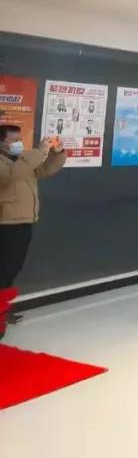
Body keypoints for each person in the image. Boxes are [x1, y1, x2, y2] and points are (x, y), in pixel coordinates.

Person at [0, 128, 66, 324]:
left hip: (23, 221)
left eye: (21, 139)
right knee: (3, 269)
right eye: (15, 140)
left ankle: (3, 310)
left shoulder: (21, 159)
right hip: (6, 224)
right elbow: (9, 176)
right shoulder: (10, 163)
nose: (19, 143)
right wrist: (39, 151)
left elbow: (45, 170)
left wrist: (57, 153)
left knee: (12, 269)